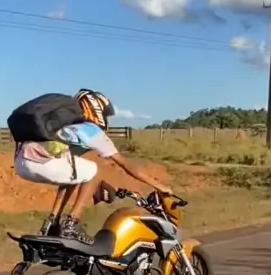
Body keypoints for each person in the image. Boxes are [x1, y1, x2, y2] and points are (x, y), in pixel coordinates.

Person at [14, 88, 171, 240]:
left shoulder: (66, 126)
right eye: (105, 114)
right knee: (94, 171)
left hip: (21, 163)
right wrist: (159, 186)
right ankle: (72, 224)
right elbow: (126, 165)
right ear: (95, 108)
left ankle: (52, 222)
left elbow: (67, 177)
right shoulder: (90, 130)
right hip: (41, 162)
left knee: (76, 174)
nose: (106, 119)